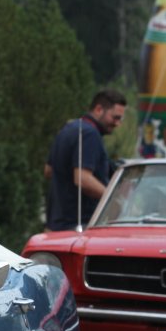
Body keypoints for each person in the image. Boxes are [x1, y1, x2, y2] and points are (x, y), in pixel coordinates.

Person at [44, 89, 127, 231]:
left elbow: (48, 171)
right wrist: (114, 197)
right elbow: (82, 178)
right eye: (115, 117)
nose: (118, 123)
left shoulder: (68, 129)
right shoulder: (90, 134)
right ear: (99, 109)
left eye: (120, 119)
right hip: (79, 226)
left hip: (56, 224)